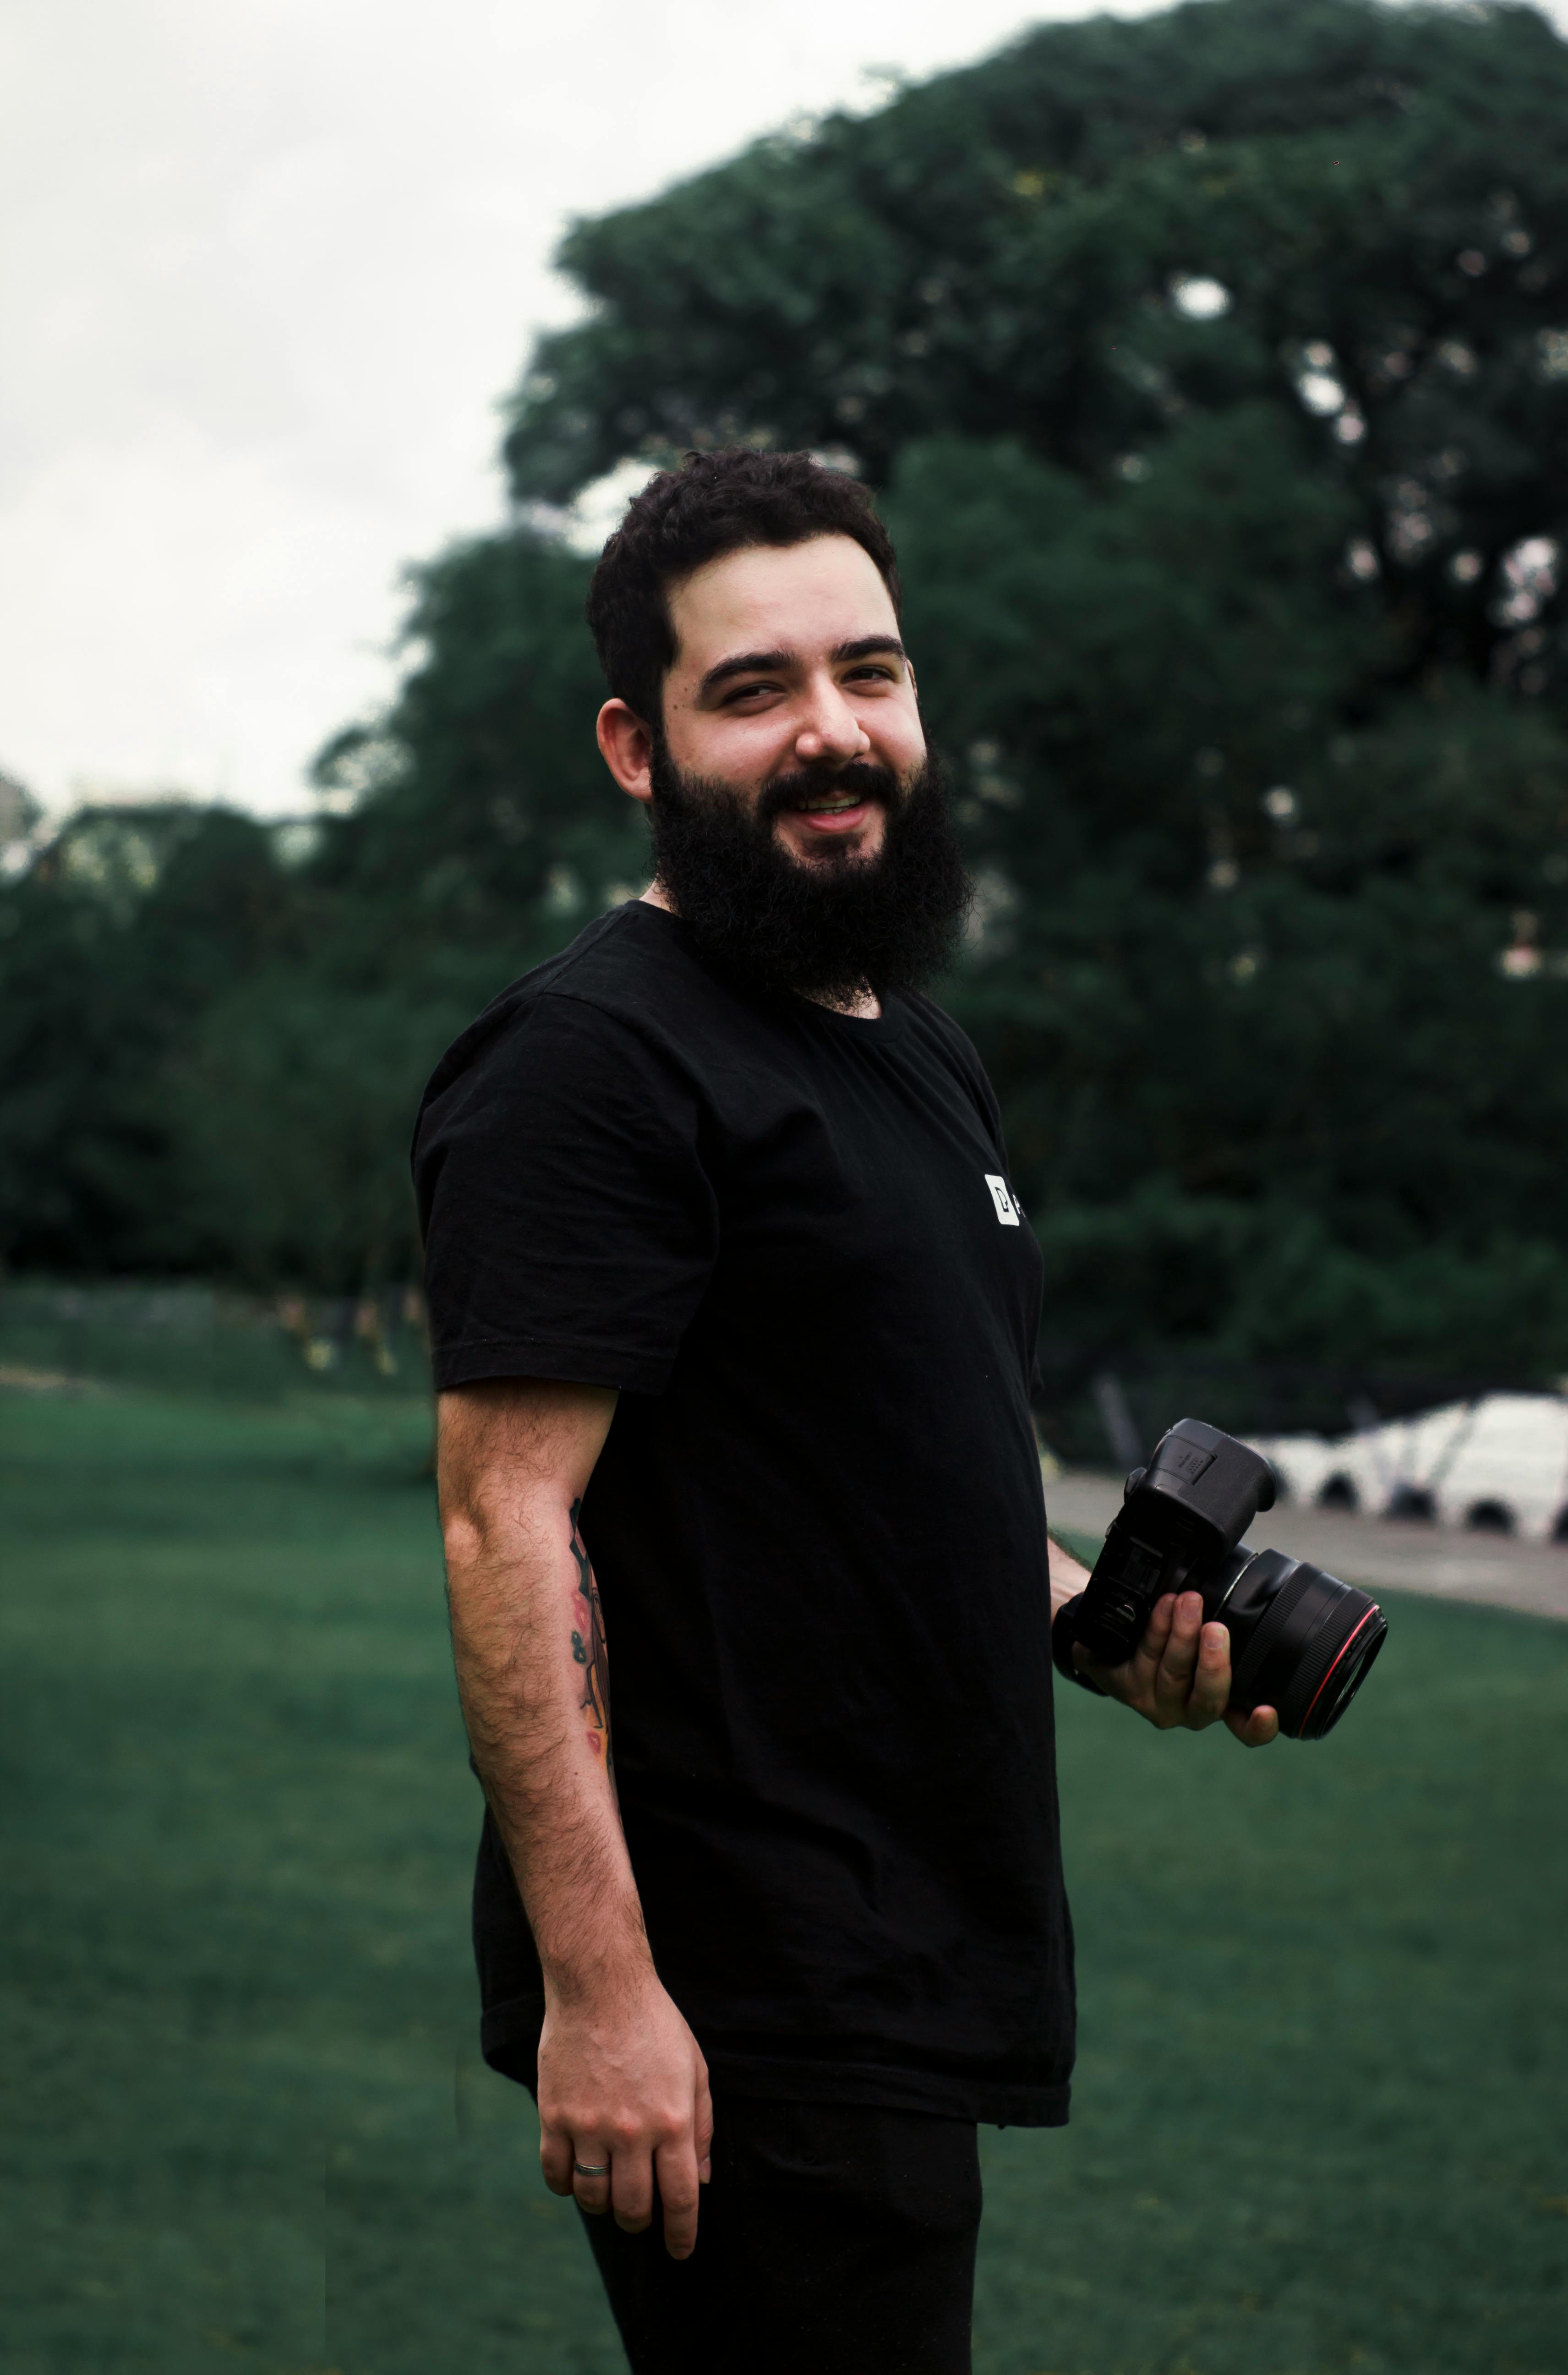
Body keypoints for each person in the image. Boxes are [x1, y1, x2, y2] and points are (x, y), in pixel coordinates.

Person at [412, 449, 1278, 2375]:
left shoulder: (914, 1050)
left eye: (868, 675)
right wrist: (606, 1992)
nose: (835, 734)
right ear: (638, 745)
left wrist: (1093, 1618)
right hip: (744, 1994)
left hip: (909, 1955)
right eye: (757, 691)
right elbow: (505, 1521)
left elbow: (909, 1478)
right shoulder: (595, 1062)